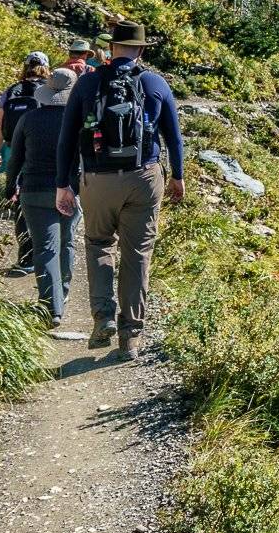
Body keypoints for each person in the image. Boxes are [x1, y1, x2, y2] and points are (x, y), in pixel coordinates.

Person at [53, 21, 184, 361]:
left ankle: (104, 316)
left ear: (111, 49)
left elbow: (67, 138)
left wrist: (63, 184)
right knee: (137, 253)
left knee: (98, 244)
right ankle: (131, 337)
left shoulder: (88, 83)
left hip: (97, 178)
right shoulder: (155, 83)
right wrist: (177, 177)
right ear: (140, 50)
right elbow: (173, 136)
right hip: (143, 177)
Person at [9, 66, 80, 328]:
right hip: (70, 190)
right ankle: (65, 290)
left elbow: (16, 157)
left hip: (34, 189)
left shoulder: (29, 119)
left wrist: (10, 187)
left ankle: (52, 307)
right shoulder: (78, 120)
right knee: (67, 241)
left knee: (45, 248)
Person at [0, 52, 48, 270]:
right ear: (45, 68)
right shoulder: (49, 91)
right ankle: (45, 254)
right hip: (40, 152)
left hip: (12, 149)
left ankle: (25, 257)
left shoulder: (11, 91)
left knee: (20, 203)